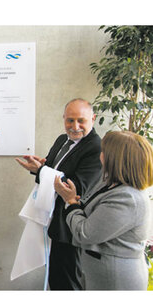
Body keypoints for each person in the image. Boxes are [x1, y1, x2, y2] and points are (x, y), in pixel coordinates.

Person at [15, 98, 102, 290]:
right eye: (70, 120)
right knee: (54, 279)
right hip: (51, 220)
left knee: (68, 283)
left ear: (93, 119)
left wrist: (41, 171)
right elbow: (50, 170)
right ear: (63, 118)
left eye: (81, 120)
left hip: (70, 226)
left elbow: (75, 187)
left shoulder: (96, 147)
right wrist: (38, 167)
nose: (75, 126)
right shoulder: (62, 139)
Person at [54, 131, 153, 290]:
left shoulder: (127, 199)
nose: (100, 154)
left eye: (103, 151)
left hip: (115, 279)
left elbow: (84, 233)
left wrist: (70, 201)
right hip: (101, 274)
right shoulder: (111, 183)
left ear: (115, 159)